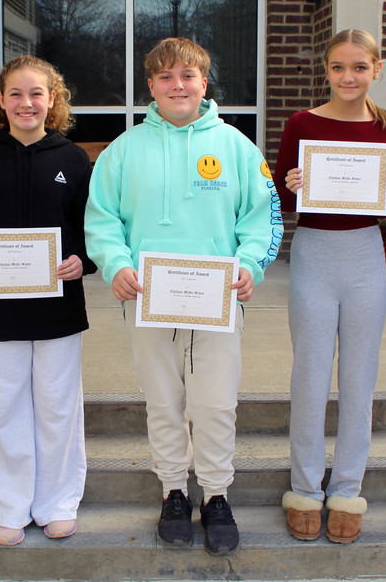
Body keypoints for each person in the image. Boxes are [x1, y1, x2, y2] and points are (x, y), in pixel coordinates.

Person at [85, 37, 281, 557]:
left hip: (217, 300)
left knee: (215, 402)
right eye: (166, 77)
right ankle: (173, 490)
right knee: (164, 400)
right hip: (146, 298)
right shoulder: (123, 150)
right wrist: (117, 265)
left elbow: (261, 218)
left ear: (204, 82)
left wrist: (249, 265)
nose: (178, 85)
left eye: (187, 75)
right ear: (150, 85)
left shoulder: (237, 147)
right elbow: (102, 219)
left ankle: (216, 493)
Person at [0, 56, 94, 547]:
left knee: (57, 408)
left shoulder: (72, 160)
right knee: (5, 406)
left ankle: (57, 503)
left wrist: (81, 261)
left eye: (37, 93)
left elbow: (89, 228)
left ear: (53, 100)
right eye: (15, 93)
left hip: (58, 308)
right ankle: (10, 505)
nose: (26, 103)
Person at [272, 29, 386, 544]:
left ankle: (348, 488)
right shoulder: (302, 123)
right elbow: (282, 195)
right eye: (337, 67)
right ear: (325, 70)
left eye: (358, 67)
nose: (348, 77)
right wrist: (294, 184)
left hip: (366, 255)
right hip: (315, 254)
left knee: (358, 377)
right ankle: (305, 487)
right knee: (309, 372)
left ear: (376, 69)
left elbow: (385, 203)